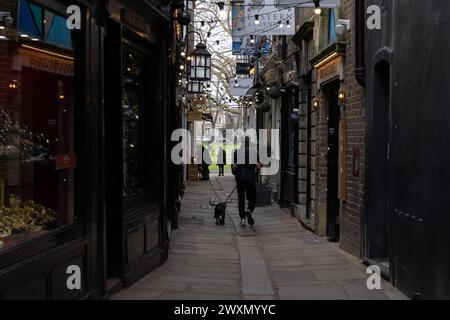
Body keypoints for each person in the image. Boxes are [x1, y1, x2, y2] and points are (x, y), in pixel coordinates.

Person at [232, 136, 261, 227]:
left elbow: (233, 168)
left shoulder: (237, 152)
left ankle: (242, 219)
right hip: (250, 179)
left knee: (241, 199)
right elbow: (259, 165)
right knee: (253, 198)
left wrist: (237, 171)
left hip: (240, 180)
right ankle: (249, 210)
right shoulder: (254, 152)